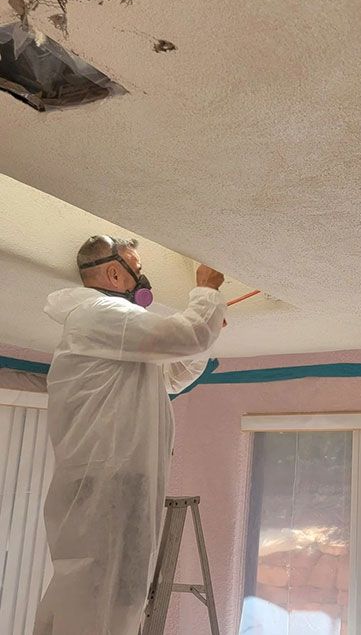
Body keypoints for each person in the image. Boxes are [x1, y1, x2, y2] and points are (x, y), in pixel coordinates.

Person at [33, 236, 228, 635]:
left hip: (116, 478)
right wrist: (206, 292)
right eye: (137, 268)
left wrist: (203, 332)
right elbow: (185, 335)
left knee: (111, 593)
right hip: (106, 479)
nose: (143, 278)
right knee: (93, 594)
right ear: (113, 272)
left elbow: (171, 375)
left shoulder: (114, 334)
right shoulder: (99, 312)